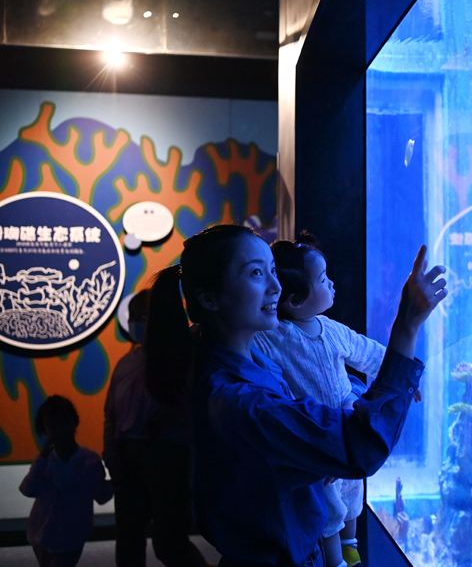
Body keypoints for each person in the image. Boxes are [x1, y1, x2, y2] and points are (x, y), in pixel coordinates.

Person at [145, 224, 446, 567]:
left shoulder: (246, 361)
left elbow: (326, 385)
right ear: (209, 298)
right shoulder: (238, 401)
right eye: (256, 273)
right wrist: (406, 325)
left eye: (272, 271)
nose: (275, 286)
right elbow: (361, 447)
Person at [254, 233, 416, 567]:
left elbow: (368, 353)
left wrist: (406, 378)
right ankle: (334, 560)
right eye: (324, 279)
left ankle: (351, 544)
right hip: (315, 438)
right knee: (327, 504)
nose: (332, 284)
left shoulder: (331, 329)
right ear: (295, 299)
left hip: (345, 428)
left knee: (353, 490)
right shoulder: (274, 336)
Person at [103, 290, 211, 567]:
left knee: (170, 543)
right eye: (134, 317)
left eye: (144, 316)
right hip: (128, 461)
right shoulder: (126, 363)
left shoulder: (184, 360)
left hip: (170, 461)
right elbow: (111, 417)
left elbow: (196, 410)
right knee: (128, 541)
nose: (138, 323)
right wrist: (113, 457)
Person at [19, 395, 114, 567]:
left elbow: (100, 494)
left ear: (74, 421)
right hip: (43, 536)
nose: (60, 427)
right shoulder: (47, 462)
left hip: (60, 535)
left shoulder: (90, 461)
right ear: (44, 429)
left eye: (63, 419)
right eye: (52, 423)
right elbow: (28, 489)